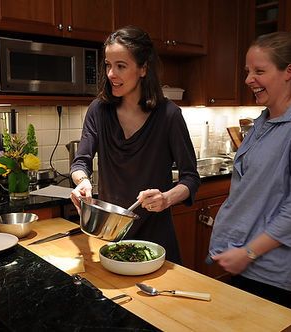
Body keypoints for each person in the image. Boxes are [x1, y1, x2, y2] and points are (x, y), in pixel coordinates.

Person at [208, 32, 291, 306]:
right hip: (244, 260)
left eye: (259, 71)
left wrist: (248, 253)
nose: (248, 80)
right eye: (248, 71)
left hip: (270, 270)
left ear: (289, 72)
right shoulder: (265, 120)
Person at [69, 26, 200, 264]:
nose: (110, 73)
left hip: (156, 240)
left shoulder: (169, 115)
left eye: (121, 66)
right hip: (110, 238)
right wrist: (83, 182)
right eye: (108, 65)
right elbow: (81, 162)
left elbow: (190, 178)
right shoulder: (98, 110)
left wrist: (166, 198)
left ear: (143, 69)